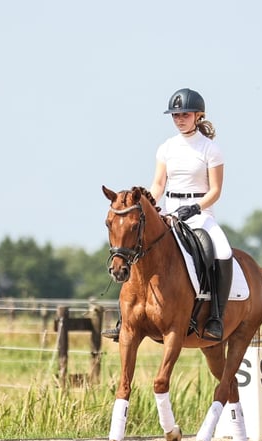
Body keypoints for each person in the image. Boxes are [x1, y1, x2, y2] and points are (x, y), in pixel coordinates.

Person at [103, 87, 233, 342]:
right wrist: (150, 204)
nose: (179, 118)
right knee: (137, 245)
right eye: (175, 115)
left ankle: (216, 316)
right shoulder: (166, 148)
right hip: (170, 210)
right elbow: (159, 185)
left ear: (198, 115)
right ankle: (125, 319)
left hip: (200, 213)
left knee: (223, 251)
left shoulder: (210, 149)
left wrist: (196, 207)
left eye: (184, 114)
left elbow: (216, 190)